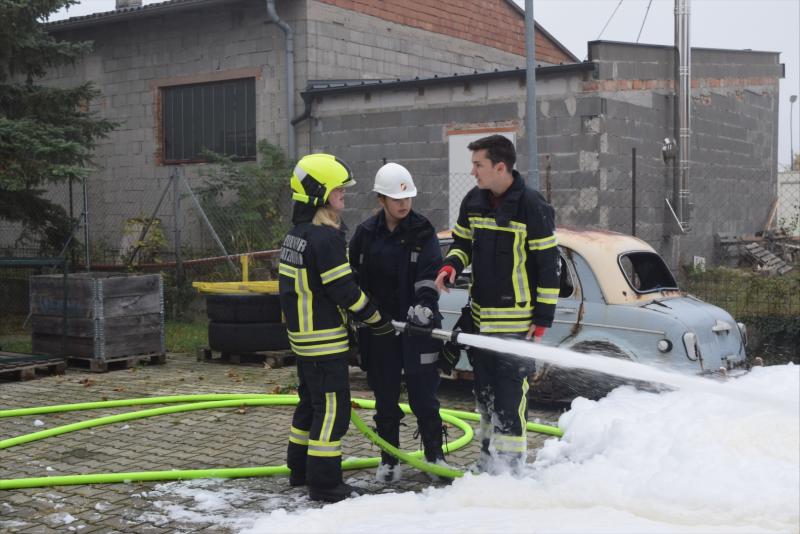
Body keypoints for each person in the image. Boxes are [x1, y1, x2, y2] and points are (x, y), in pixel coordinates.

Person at [434, 135, 560, 474]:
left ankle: (510, 468)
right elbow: (462, 242)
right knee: (485, 397)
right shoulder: (473, 201)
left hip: (515, 324)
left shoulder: (532, 206)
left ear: (500, 167)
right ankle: (489, 462)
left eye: (478, 165)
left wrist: (543, 319)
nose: (473, 172)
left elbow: (550, 267)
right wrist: (450, 266)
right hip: (480, 320)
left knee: (509, 399)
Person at [278, 153, 394, 503]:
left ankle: (298, 469)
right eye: (338, 189)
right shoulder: (325, 240)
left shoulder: (295, 236)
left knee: (310, 405)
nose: (344, 194)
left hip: (303, 340)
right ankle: (326, 483)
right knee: (333, 411)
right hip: (325, 341)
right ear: (320, 193)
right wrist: (377, 320)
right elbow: (344, 291)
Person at [349, 162, 447, 483]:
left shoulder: (423, 231)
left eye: (407, 198)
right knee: (385, 397)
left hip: (418, 329)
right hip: (380, 330)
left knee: (424, 397)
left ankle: (435, 456)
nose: (403, 204)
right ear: (381, 200)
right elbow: (355, 279)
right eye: (396, 199)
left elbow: (430, 274)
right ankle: (390, 459)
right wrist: (366, 315)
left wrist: (424, 306)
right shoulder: (365, 234)